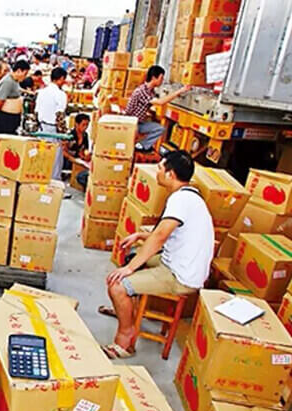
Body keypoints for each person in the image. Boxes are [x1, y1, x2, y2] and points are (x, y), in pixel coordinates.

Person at [101, 151, 213, 359]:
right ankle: (126, 311)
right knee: (133, 255)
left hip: (180, 275)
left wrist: (129, 269)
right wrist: (140, 236)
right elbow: (169, 234)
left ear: (170, 174)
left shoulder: (180, 200)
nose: (157, 172)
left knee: (117, 285)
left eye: (160, 168)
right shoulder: (189, 196)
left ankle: (125, 340)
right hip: (179, 263)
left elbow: (161, 236)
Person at [125, 65, 191, 153]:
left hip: (138, 121)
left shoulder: (150, 91)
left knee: (158, 127)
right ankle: (141, 146)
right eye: (161, 78)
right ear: (153, 78)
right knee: (159, 129)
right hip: (132, 123)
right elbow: (160, 102)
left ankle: (143, 145)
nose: (162, 81)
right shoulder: (142, 91)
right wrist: (180, 91)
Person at [35, 67, 68, 180]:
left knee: (42, 155)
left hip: (41, 127)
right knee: (55, 158)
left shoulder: (41, 92)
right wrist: (63, 133)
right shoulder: (60, 94)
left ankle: (40, 178)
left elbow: (36, 111)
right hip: (53, 129)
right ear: (61, 78)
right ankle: (54, 183)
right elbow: (60, 116)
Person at [0, 59, 29, 135]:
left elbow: (17, 89)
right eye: (25, 74)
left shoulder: (15, 80)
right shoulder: (7, 81)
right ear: (18, 71)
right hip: (6, 118)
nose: (25, 77)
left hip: (13, 117)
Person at [63, 113, 91, 189]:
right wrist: (73, 159)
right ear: (77, 124)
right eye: (83, 125)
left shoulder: (85, 135)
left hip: (77, 159)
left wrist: (85, 155)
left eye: (87, 125)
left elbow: (84, 149)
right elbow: (63, 151)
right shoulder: (69, 135)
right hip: (68, 160)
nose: (85, 127)